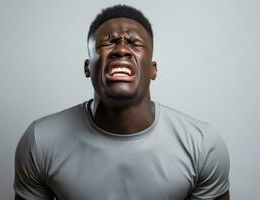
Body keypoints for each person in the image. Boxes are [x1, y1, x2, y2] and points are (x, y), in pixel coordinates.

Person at [14, 4, 230, 200]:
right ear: (87, 67)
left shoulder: (202, 145)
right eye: (108, 42)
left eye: (135, 43)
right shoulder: (40, 140)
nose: (121, 49)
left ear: (152, 69)